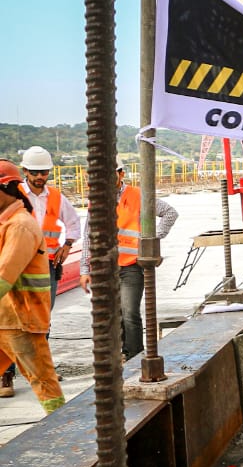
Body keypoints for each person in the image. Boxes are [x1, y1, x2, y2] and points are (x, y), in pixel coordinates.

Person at [0, 146, 80, 398]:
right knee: (15, 327)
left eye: (43, 172)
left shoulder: (51, 201)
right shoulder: (13, 202)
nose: (39, 177)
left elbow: (74, 223)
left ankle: (41, 378)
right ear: (24, 172)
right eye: (34, 172)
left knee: (40, 325)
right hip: (13, 282)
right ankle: (8, 376)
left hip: (40, 276)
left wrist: (68, 245)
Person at [80, 158, 178, 360]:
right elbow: (88, 234)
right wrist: (85, 269)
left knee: (130, 312)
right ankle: (124, 353)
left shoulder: (137, 196)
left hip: (131, 266)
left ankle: (135, 355)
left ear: (120, 174)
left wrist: (152, 238)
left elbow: (170, 213)